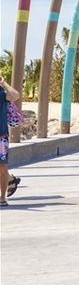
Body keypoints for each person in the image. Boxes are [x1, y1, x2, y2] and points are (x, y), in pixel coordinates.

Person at [0, 75, 22, 206]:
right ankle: (11, 180)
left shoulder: (2, 93)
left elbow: (15, 95)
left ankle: (2, 198)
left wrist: (4, 83)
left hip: (0, 136)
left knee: (2, 167)